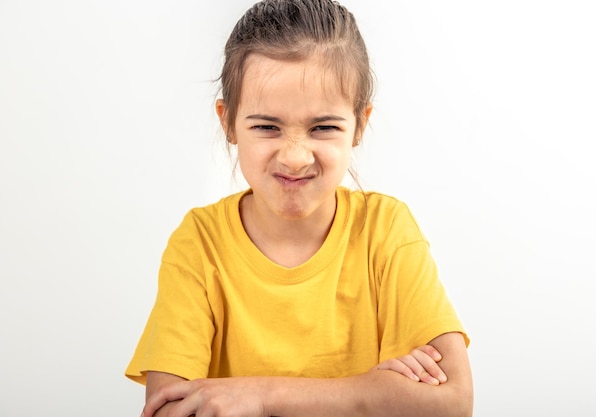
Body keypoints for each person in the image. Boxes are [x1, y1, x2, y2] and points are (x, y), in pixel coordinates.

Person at [125, 0, 473, 416]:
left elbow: (453, 402)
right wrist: (374, 392)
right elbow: (170, 410)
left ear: (359, 125)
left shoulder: (386, 230)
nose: (294, 157)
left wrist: (258, 395)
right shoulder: (199, 243)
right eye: (267, 127)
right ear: (228, 121)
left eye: (323, 127)